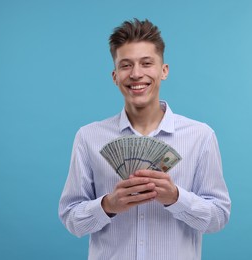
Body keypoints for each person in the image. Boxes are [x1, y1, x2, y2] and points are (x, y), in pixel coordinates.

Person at [59, 18, 231, 260]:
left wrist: (176, 198)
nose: (136, 74)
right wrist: (108, 205)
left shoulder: (200, 136)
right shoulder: (89, 137)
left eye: (146, 63)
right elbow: (71, 219)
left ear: (164, 71)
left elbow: (218, 218)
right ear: (115, 76)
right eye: (126, 65)